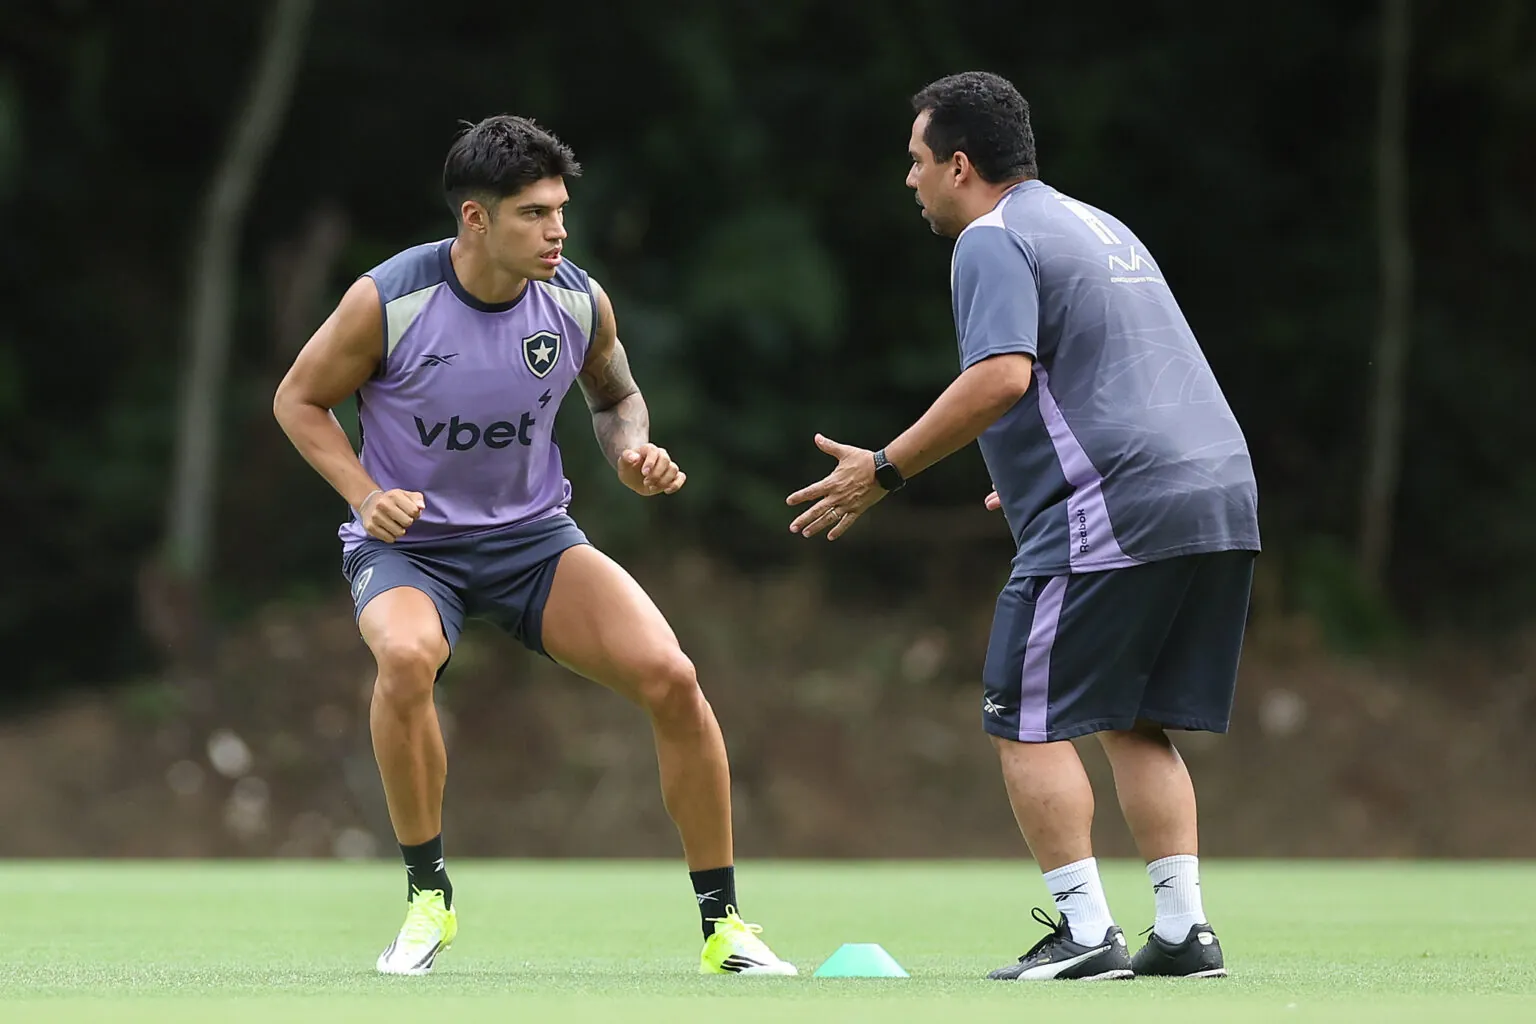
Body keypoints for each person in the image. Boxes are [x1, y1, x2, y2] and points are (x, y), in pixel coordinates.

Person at [274, 114, 795, 978]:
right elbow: (298, 400)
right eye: (533, 214)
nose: (557, 231)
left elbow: (615, 396)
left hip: (532, 540)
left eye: (560, 211)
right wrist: (365, 495)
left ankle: (724, 927)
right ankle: (428, 901)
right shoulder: (390, 300)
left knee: (673, 678)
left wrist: (631, 452)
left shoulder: (578, 300)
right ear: (475, 219)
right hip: (413, 548)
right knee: (405, 658)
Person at [786, 71, 1260, 981]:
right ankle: (1183, 931)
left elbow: (1002, 377)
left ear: (960, 165)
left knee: (1025, 717)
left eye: (918, 161)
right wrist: (1047, 473)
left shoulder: (989, 238)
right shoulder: (1099, 225)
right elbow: (1114, 371)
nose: (911, 179)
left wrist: (883, 470)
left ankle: (1085, 933)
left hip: (1119, 499)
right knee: (1134, 717)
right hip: (1217, 492)